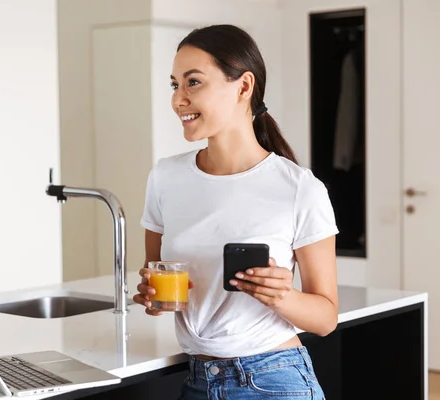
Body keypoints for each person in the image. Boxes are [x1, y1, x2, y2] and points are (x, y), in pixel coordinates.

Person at [133, 24, 338, 399]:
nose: (179, 99)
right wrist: (151, 293)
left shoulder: (298, 189)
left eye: (193, 82)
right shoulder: (166, 177)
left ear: (244, 87)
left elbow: (325, 319)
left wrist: (283, 296)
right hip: (197, 379)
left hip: (272, 380)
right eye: (174, 84)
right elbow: (155, 276)